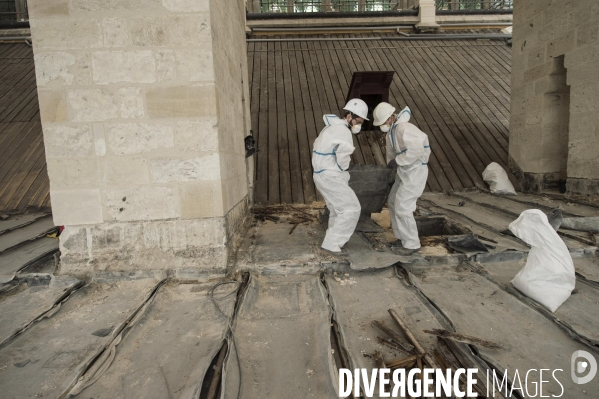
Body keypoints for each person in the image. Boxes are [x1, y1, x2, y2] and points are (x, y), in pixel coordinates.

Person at [312, 98, 368, 258]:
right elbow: (343, 159)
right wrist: (342, 170)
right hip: (331, 176)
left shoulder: (329, 128)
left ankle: (336, 241)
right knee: (351, 208)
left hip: (321, 175)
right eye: (358, 121)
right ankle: (331, 246)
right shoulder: (343, 131)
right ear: (349, 116)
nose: (359, 125)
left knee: (337, 209)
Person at [372, 102, 430, 256]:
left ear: (391, 117)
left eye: (383, 122)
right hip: (404, 171)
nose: (382, 125)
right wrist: (391, 170)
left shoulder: (404, 128)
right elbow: (392, 155)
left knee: (403, 206)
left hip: (415, 172)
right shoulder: (392, 131)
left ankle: (412, 244)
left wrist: (397, 162)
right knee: (392, 201)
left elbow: (417, 150)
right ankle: (401, 237)